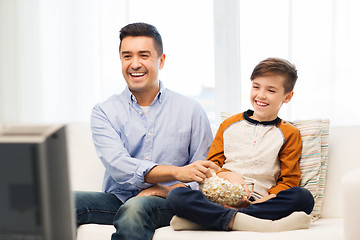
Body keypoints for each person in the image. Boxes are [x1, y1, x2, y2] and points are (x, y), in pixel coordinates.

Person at [74, 22, 220, 240]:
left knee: (135, 209)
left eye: (144, 55)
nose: (135, 64)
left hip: (169, 200)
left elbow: (203, 175)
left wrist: (169, 188)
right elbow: (120, 167)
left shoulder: (190, 110)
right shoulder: (104, 112)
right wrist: (175, 171)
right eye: (127, 56)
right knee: (58, 202)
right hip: (118, 199)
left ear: (161, 60)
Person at [166, 57, 315, 232]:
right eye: (256, 86)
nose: (261, 95)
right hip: (220, 197)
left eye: (271, 90)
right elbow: (211, 168)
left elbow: (289, 181)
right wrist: (230, 177)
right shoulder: (228, 125)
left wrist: (262, 201)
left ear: (287, 96)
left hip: (258, 201)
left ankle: (210, 219)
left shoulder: (289, 133)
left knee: (303, 198)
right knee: (176, 196)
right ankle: (254, 223)